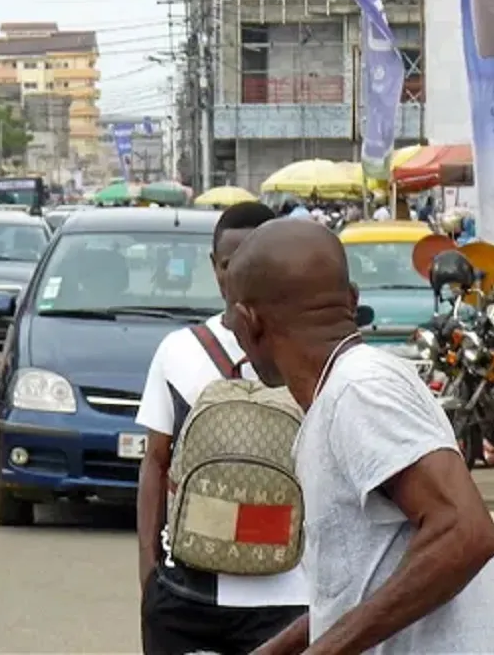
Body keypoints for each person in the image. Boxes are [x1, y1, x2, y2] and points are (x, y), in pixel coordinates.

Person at [224, 219, 494, 655]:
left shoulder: (359, 391)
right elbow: (368, 584)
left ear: (250, 322)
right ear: (353, 300)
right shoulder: (351, 388)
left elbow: (465, 533)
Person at [135, 202, 308, 655]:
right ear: (215, 269)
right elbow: (155, 463)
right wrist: (149, 576)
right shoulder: (179, 351)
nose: (243, 277)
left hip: (289, 595)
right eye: (232, 265)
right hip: (188, 594)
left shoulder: (307, 351)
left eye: (257, 263)